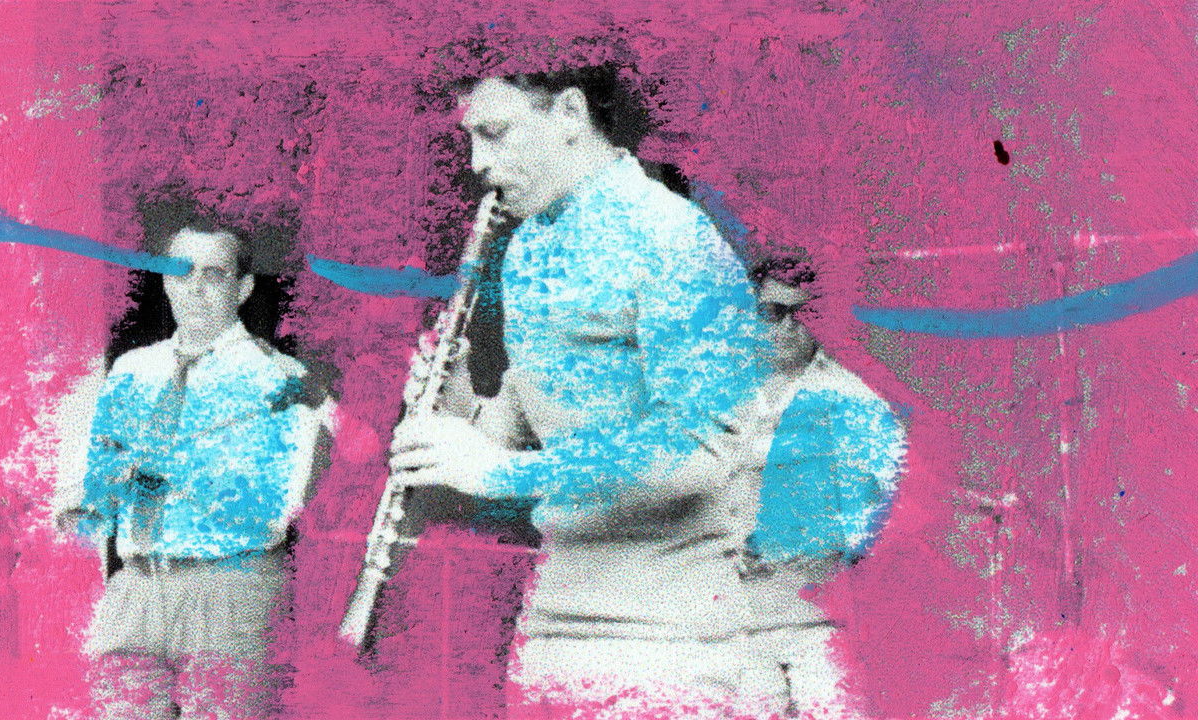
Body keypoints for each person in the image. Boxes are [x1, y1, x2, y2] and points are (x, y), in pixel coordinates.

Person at [387, 64, 774, 716]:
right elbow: (519, 431)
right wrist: (455, 401)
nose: (478, 163)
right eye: (470, 139)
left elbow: (704, 449)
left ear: (569, 113)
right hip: (554, 618)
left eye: (495, 133)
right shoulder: (529, 248)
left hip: (666, 636)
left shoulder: (672, 236)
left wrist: (502, 472)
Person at [56, 211, 333, 720]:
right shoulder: (132, 370)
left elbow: (275, 506)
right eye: (182, 272)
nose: (195, 289)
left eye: (215, 274)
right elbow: (92, 488)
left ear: (243, 288)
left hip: (229, 591)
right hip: (136, 588)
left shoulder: (281, 379)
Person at [732, 259, 906, 718]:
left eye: (801, 314)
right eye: (773, 313)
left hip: (821, 622)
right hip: (738, 623)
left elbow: (883, 514)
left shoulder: (853, 399)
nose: (787, 328)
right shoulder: (729, 397)